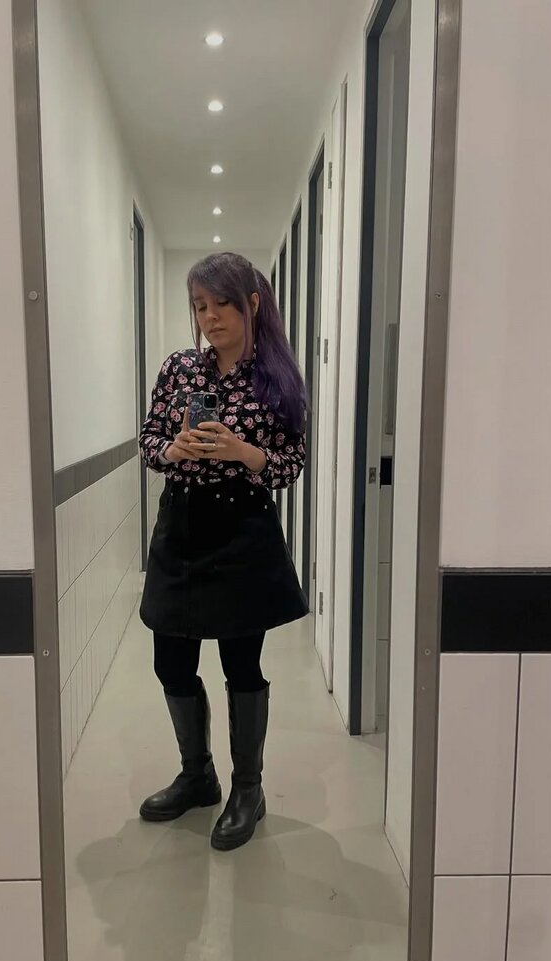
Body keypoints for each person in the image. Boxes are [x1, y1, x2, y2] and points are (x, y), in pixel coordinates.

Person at [137, 251, 309, 851]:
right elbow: (149, 439)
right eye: (199, 306)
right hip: (181, 530)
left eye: (220, 304)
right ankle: (198, 776)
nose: (208, 317)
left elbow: (290, 464)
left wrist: (242, 451)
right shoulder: (179, 368)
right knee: (171, 662)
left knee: (241, 666)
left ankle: (248, 790)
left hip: (242, 532)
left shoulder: (278, 379)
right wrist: (173, 450)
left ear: (252, 303)